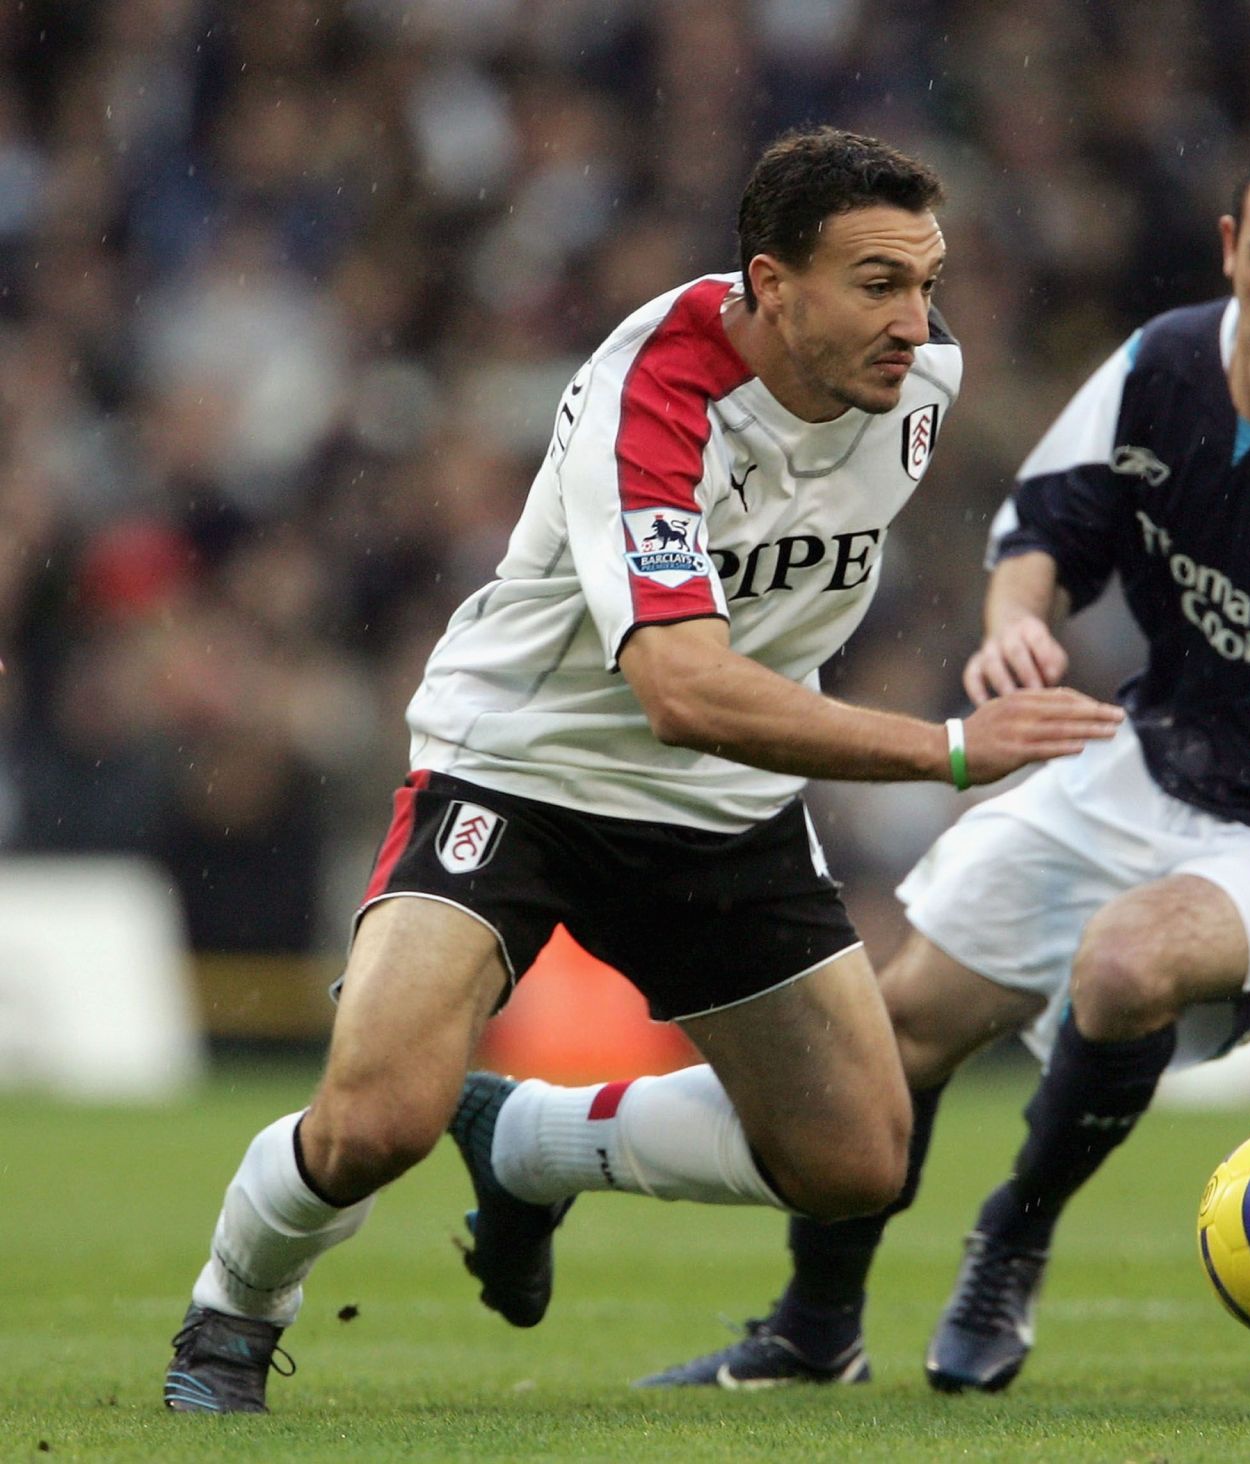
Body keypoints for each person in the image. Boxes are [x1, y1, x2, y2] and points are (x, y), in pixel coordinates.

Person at [634, 129, 1250, 1395]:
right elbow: (1044, 529)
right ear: (1229, 250)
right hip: (1148, 770)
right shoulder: (1160, 367)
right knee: (899, 1032)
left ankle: (1013, 1242)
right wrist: (1013, 627)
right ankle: (815, 1330)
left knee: (1128, 962)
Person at [161, 126, 1122, 1414]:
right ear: (771, 286)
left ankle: (528, 1144)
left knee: (857, 1159)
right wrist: (949, 751)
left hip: (719, 808)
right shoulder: (653, 394)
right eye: (880, 283)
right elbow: (682, 688)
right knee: (374, 1125)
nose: (918, 321)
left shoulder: (918, 387)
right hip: (519, 768)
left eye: (927, 282)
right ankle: (232, 1313)